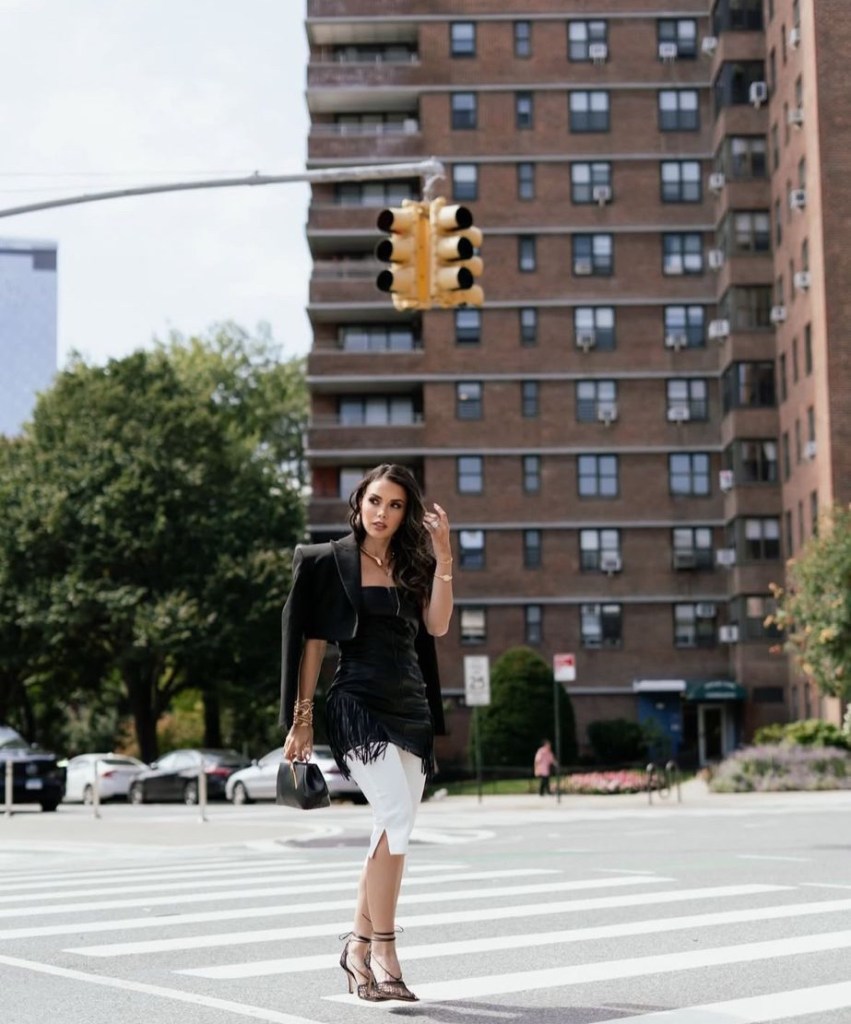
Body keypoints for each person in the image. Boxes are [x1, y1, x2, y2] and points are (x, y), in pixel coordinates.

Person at [280, 463, 453, 1002]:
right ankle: (384, 948)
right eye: (376, 501)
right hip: (357, 704)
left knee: (391, 830)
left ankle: (355, 949)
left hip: (411, 709)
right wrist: (301, 719)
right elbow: (311, 646)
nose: (383, 513)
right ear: (359, 502)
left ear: (406, 514)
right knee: (396, 819)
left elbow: (437, 626)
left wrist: (444, 556)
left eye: (396, 506)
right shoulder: (328, 561)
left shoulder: (415, 564)